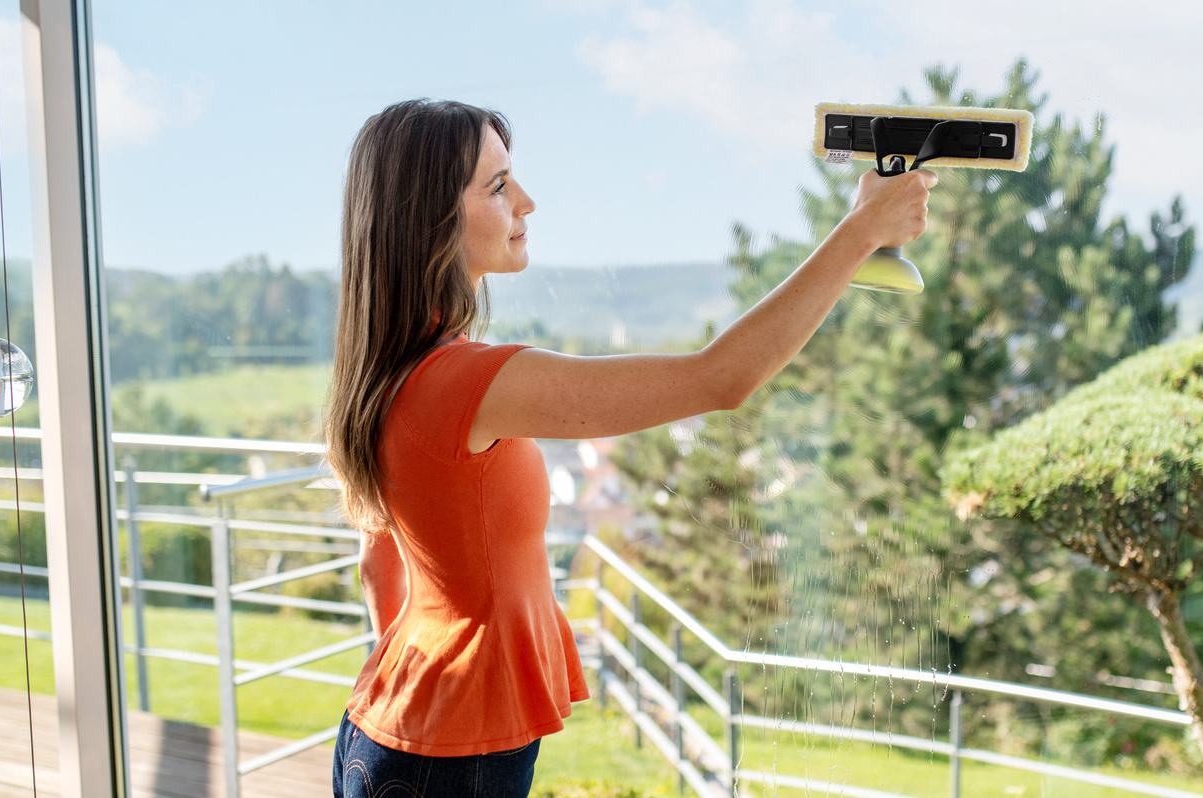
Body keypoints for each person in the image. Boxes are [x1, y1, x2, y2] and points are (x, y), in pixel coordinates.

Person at [325, 98, 935, 798]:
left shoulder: (388, 369)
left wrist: (415, 672)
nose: (526, 202)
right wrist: (858, 234)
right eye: (497, 187)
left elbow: (380, 561)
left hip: (394, 724)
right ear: (429, 218)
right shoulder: (467, 382)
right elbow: (721, 378)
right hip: (446, 756)